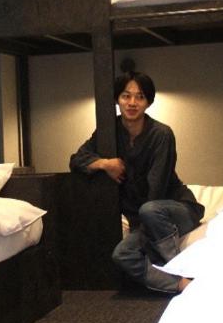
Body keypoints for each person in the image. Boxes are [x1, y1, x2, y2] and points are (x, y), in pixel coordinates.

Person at [69, 69, 204, 293]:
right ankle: (182, 285)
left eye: (139, 97)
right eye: (126, 96)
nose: (132, 102)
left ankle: (187, 269)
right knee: (122, 254)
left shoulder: (161, 134)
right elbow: (77, 160)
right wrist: (105, 164)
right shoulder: (109, 132)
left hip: (175, 209)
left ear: (148, 102)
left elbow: (157, 187)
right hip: (142, 221)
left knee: (150, 209)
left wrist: (144, 232)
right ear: (117, 100)